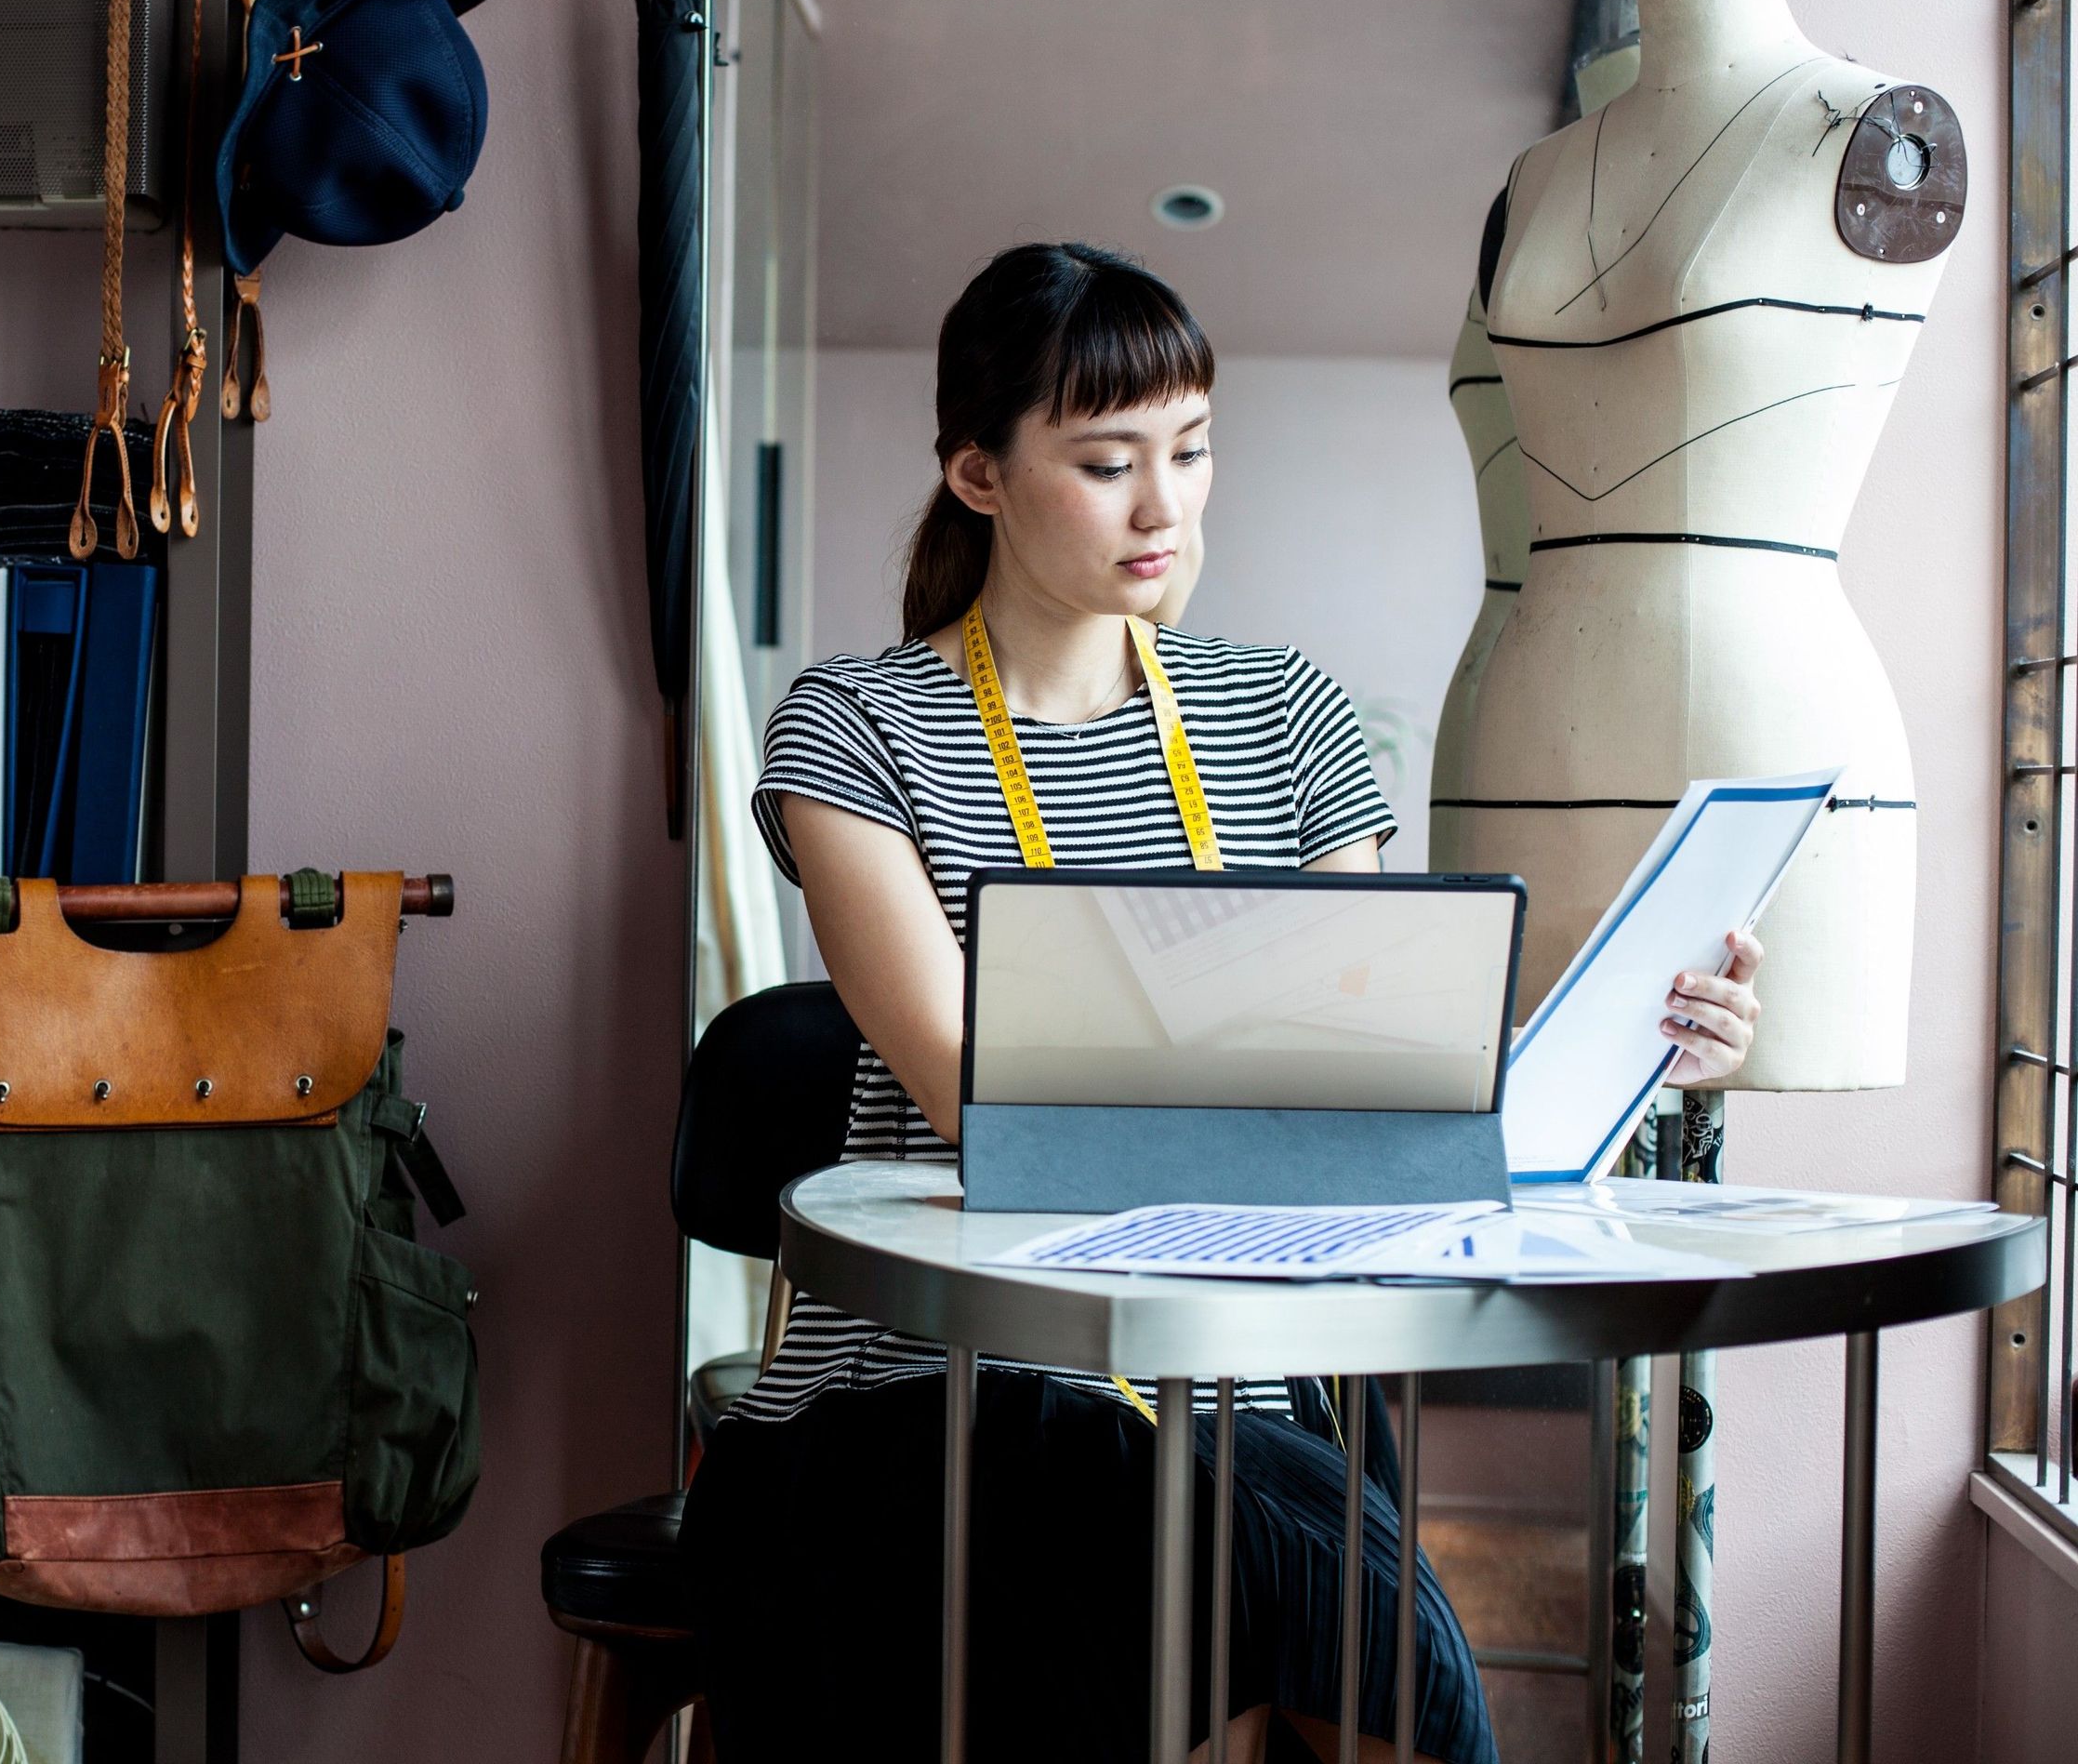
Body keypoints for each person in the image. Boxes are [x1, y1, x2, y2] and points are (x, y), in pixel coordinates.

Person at [680, 242, 1765, 1764]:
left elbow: (1384, 1084)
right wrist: (1272, 1085)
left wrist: (1644, 1042)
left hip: (1237, 1385)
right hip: (937, 1383)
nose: (1165, 505)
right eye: (1108, 461)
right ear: (980, 476)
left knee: (1310, 1596)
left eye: (1190, 451)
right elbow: (981, 1097)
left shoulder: (1292, 717)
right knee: (1216, 1576)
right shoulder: (859, 728)